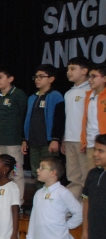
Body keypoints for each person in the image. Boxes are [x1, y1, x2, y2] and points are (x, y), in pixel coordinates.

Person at [22, 64, 65, 189]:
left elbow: (59, 120)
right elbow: (26, 120)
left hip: (48, 142)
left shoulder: (55, 96)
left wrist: (55, 139)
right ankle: (39, 198)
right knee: (37, 172)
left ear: (51, 79)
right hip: (34, 142)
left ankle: (50, 198)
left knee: (49, 171)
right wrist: (24, 139)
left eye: (41, 77)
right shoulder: (32, 98)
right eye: (36, 77)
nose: (37, 79)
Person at [0, 65, 29, 204]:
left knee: (16, 170)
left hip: (13, 142)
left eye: (0, 77)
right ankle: (2, 199)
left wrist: (23, 138)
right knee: (0, 170)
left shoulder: (18, 94)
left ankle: (18, 201)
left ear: (10, 79)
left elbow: (23, 116)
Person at [62, 57, 90, 200]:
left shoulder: (89, 91)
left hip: (82, 139)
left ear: (84, 71)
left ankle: (85, 207)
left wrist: (86, 139)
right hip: (69, 139)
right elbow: (68, 118)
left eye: (73, 69)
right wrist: (63, 139)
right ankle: (73, 206)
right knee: (73, 175)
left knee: (86, 174)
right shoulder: (68, 93)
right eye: (68, 69)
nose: (69, 72)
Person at [81, 64, 106, 171]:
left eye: (94, 76)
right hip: (91, 143)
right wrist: (83, 141)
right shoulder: (89, 96)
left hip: (104, 143)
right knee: (93, 174)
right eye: (89, 77)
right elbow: (86, 121)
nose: (90, 80)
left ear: (104, 78)